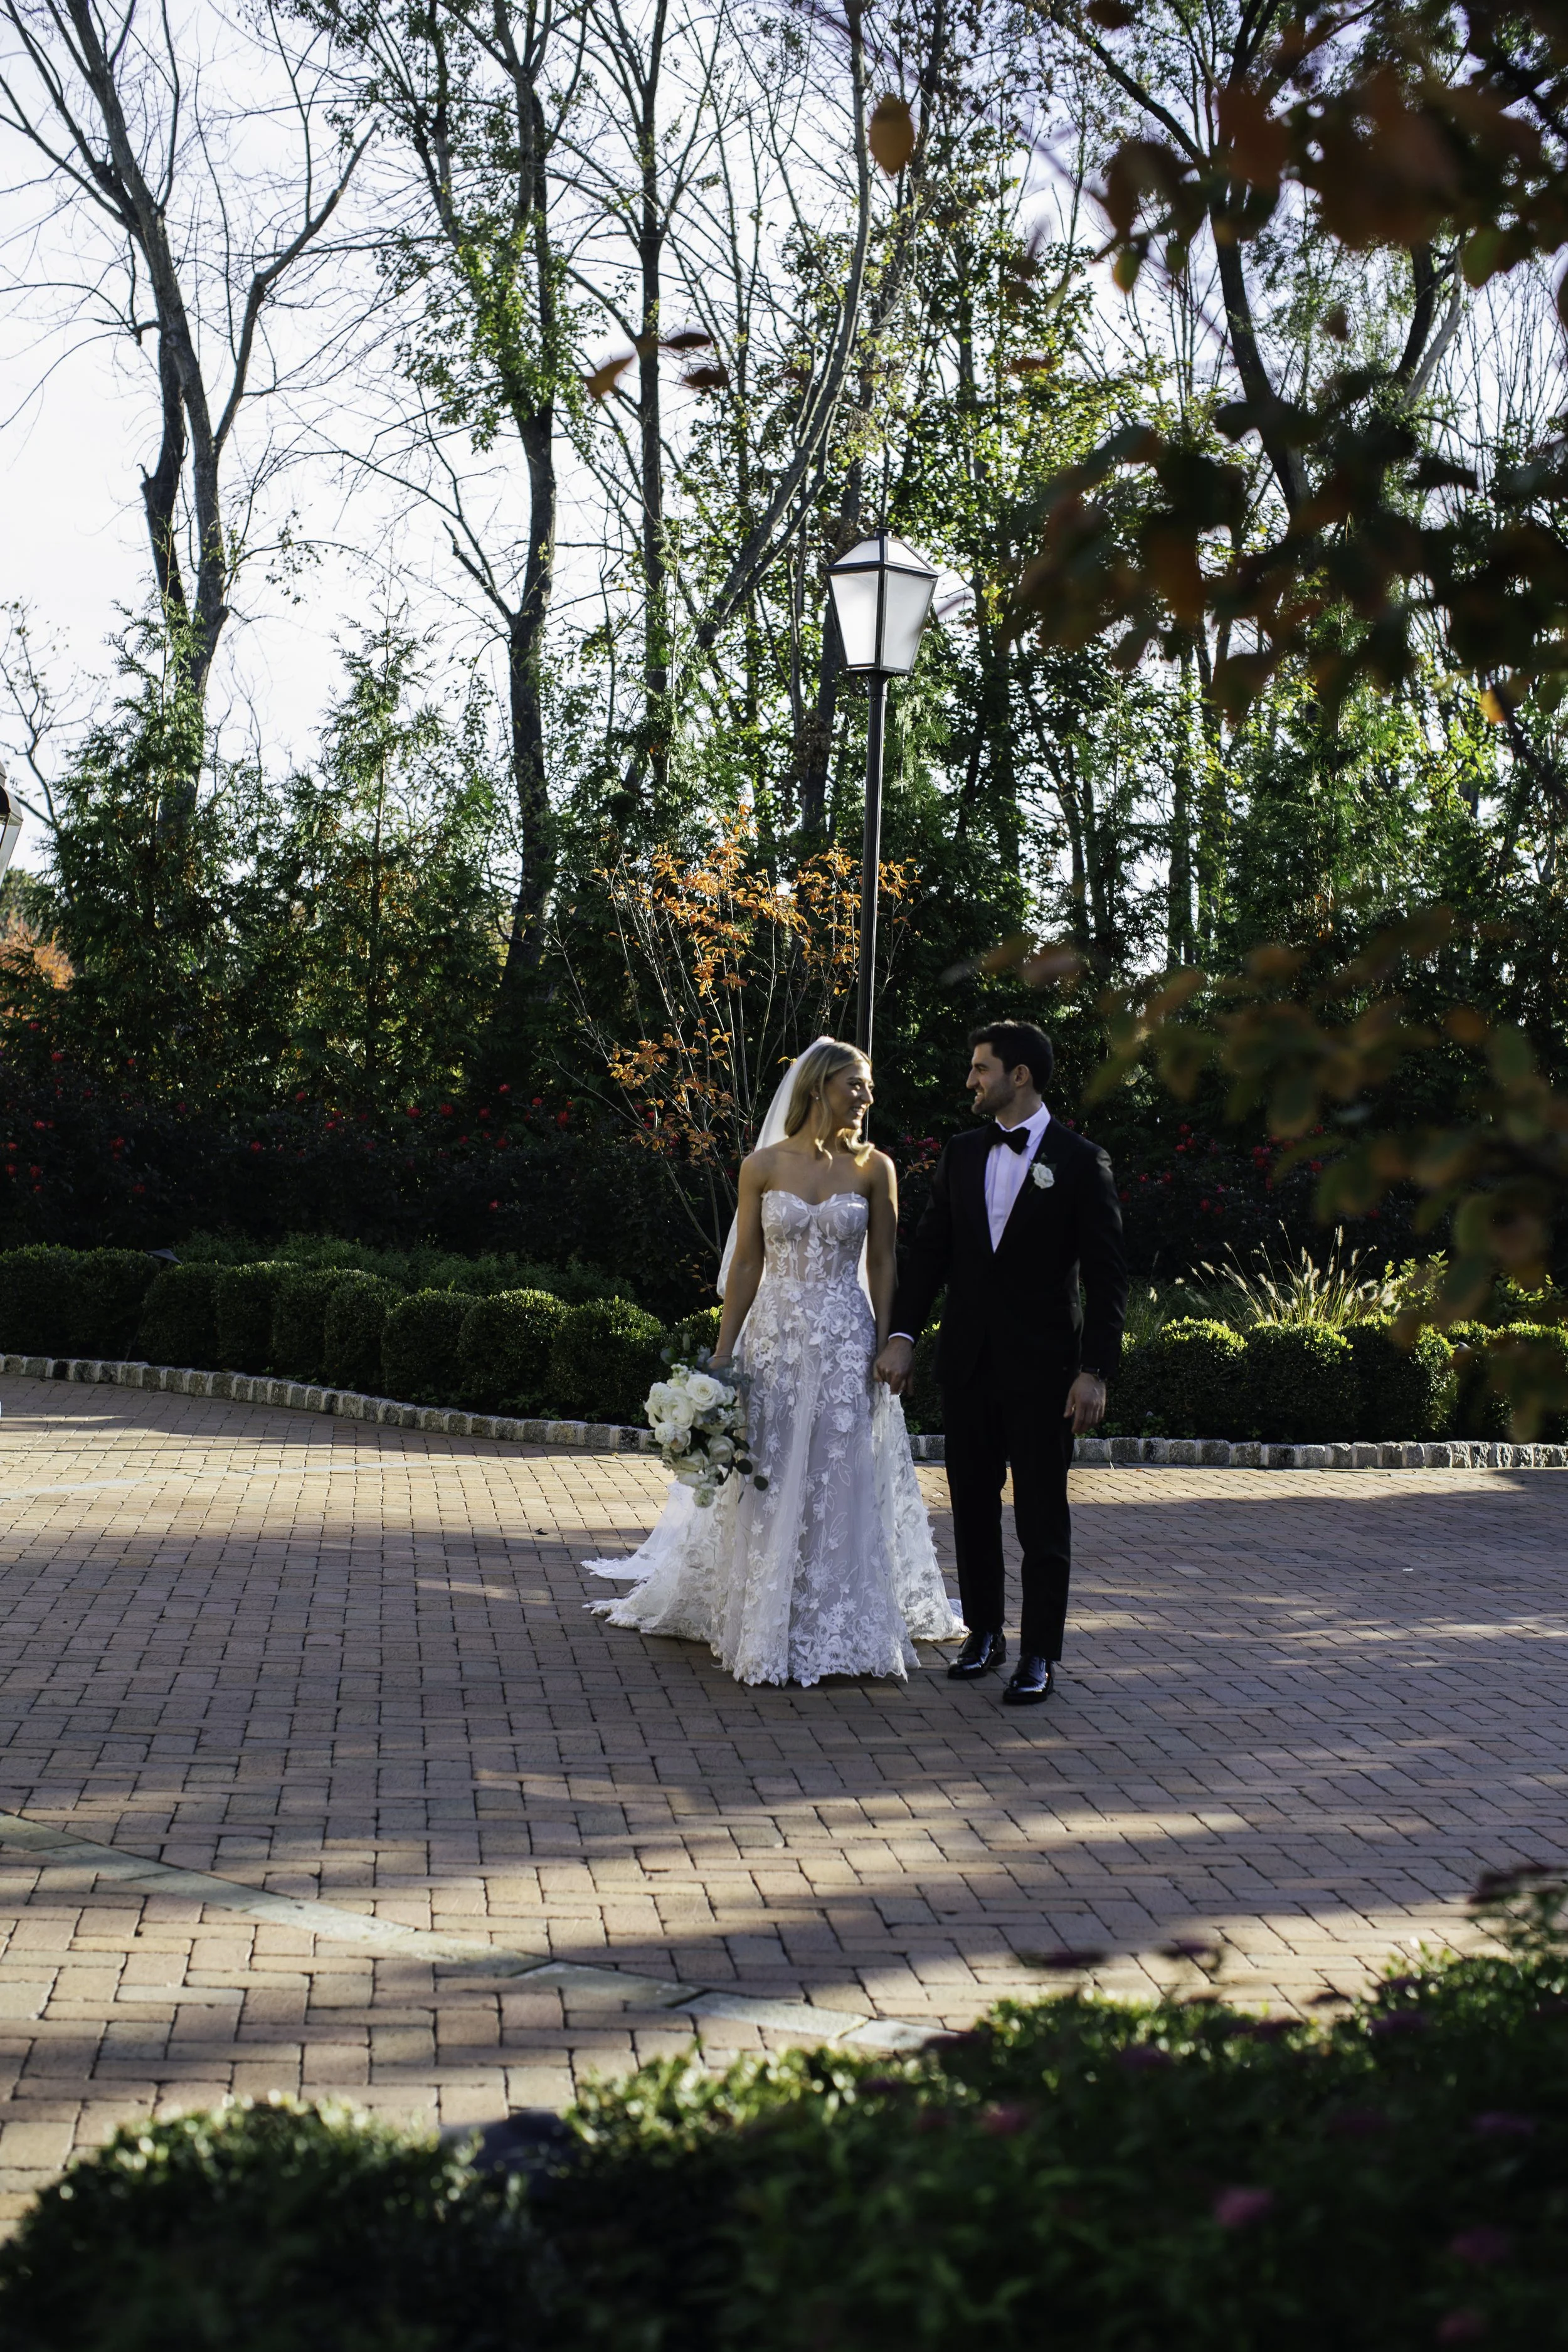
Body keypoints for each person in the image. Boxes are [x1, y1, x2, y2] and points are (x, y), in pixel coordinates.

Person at [586, 1038, 958, 1687]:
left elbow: (883, 1263)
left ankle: (839, 1623)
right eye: (857, 1085)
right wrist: (724, 1356)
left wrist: (887, 1343)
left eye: (867, 1087)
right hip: (775, 1339)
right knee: (773, 1470)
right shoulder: (760, 1166)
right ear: (819, 1087)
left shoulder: (876, 1169)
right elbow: (748, 1262)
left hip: (846, 1336)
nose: (867, 1097)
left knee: (840, 1474)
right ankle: (765, 1615)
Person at [875, 1020, 1127, 1706]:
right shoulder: (959, 1154)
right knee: (971, 1507)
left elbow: (1107, 1280)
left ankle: (1040, 1653)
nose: (970, 1081)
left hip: (1047, 1372)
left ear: (1019, 1076)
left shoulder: (1080, 1162)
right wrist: (902, 1333)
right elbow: (928, 1257)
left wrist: (1094, 1371)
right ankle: (984, 1633)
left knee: (1042, 1517)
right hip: (968, 1362)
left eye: (981, 1068)